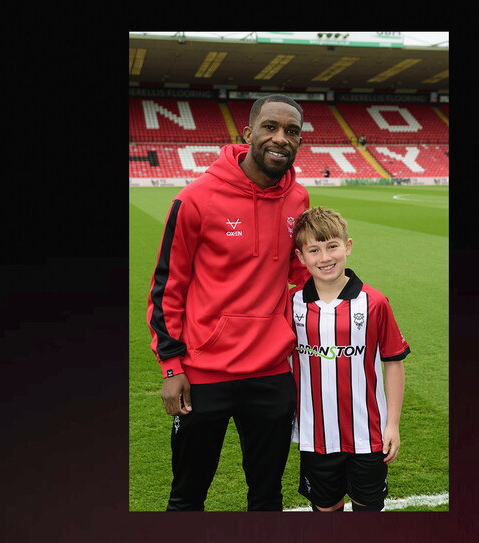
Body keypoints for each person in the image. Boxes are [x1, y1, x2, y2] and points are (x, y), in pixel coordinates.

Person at [146, 94, 311, 511]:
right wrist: (171, 365)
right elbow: (167, 287)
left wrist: (349, 289)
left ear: (300, 139)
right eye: (270, 127)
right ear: (248, 132)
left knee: (267, 496)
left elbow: (301, 270)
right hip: (204, 374)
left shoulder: (298, 200)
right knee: (187, 497)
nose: (280, 138)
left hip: (272, 373)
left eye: (291, 131)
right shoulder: (196, 198)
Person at [287, 206, 409, 512]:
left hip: (369, 434)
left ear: (348, 247)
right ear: (301, 258)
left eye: (332, 246)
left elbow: (393, 362)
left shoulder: (375, 302)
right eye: (313, 250)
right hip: (315, 435)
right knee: (326, 510)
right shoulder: (291, 304)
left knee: (368, 510)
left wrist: (392, 424)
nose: (325, 258)